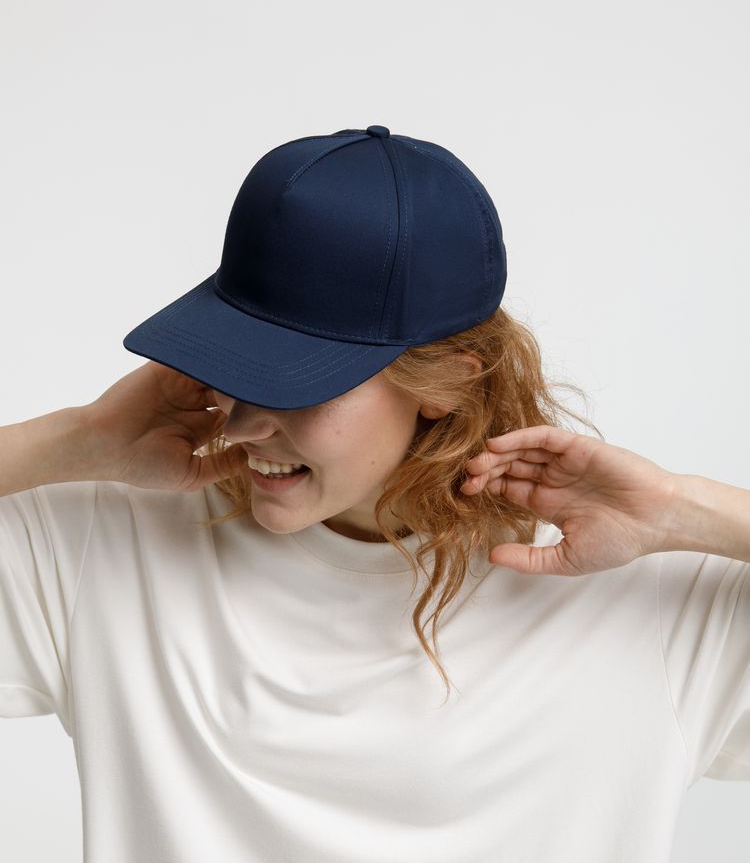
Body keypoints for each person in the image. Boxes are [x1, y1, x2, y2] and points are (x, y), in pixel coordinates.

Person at [1, 124, 748, 863]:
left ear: (445, 384)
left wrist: (681, 511)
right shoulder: (104, 543)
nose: (243, 424)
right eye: (232, 366)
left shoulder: (639, 594)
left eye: (296, 383)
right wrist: (79, 440)